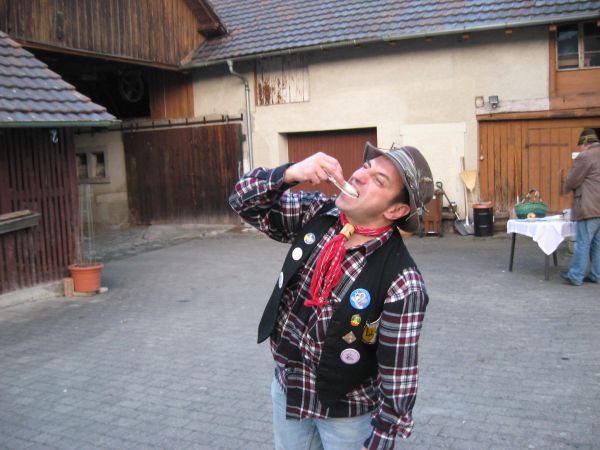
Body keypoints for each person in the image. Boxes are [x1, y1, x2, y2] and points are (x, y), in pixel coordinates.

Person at [229, 142, 434, 450]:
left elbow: (398, 375)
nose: (359, 176)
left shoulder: (403, 281)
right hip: (289, 391)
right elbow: (242, 200)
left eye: (379, 180)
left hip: (348, 415)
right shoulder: (318, 213)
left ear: (395, 210)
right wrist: (290, 173)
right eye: (365, 167)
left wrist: (381, 440)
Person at [561, 128, 600, 286]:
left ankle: (576, 275)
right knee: (597, 243)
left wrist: (564, 187)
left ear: (586, 143)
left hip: (588, 207)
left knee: (583, 242)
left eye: (581, 145)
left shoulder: (585, 156)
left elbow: (573, 181)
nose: (581, 148)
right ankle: (597, 275)